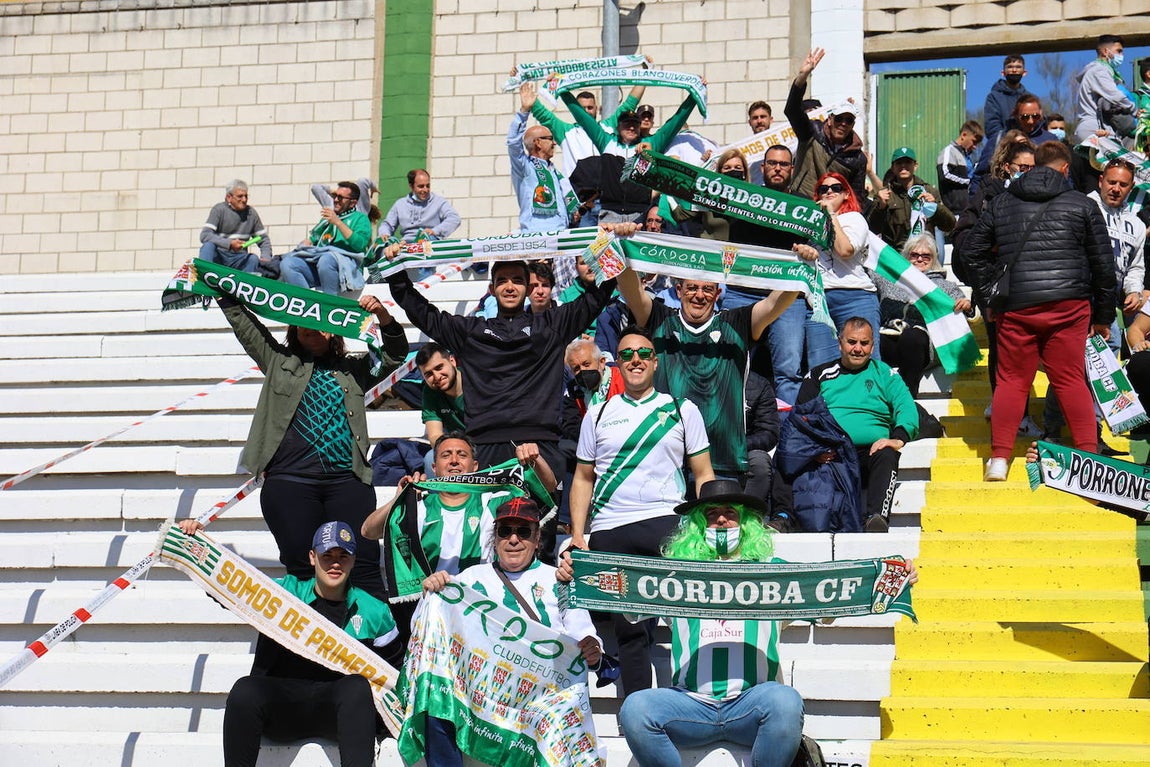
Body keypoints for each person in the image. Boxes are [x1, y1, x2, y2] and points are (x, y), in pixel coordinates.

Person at [384, 256, 617, 538]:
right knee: (486, 539)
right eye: (502, 281)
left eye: (517, 280)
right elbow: (422, 313)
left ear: (528, 287)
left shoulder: (552, 325)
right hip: (485, 449)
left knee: (538, 538)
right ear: (492, 288)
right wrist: (395, 270)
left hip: (540, 446)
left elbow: (597, 296)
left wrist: (610, 247)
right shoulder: (470, 332)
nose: (509, 286)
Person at [218, 290, 408, 597]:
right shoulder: (277, 361)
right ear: (293, 330)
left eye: (319, 321)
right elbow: (246, 326)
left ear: (333, 331)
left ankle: (375, 629)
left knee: (363, 565)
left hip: (347, 481)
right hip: (290, 483)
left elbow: (394, 355)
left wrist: (383, 316)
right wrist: (218, 287)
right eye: (303, 321)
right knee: (303, 568)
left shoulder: (354, 369)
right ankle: (304, 628)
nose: (311, 327)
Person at [607, 479, 806, 767]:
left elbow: (827, 607)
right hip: (690, 705)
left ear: (746, 522)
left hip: (753, 704)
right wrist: (576, 575)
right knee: (635, 709)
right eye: (712, 514)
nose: (721, 519)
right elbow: (625, 602)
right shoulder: (675, 576)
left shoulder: (772, 571)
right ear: (699, 526)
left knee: (786, 701)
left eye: (730, 512)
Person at [176, 519, 402, 767]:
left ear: (354, 560)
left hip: (338, 713)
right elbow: (229, 588)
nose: (335, 563)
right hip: (283, 709)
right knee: (244, 690)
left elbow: (394, 671)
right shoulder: (285, 594)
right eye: (327, 555)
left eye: (343, 556)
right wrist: (194, 543)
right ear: (312, 557)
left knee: (357, 687)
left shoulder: (375, 610)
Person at [567, 327, 715, 696]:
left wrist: (707, 525)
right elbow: (583, 478)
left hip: (667, 524)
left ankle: (696, 700)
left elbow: (703, 474)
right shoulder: (597, 414)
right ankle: (637, 712)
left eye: (644, 353)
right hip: (611, 530)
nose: (636, 360)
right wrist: (578, 535)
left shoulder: (682, 409)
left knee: (687, 619)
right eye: (627, 354)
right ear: (616, 363)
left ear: (655, 362)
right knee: (629, 631)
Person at [962, 141, 1116, 481]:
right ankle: (1090, 457)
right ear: (1065, 168)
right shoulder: (1083, 204)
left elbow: (971, 251)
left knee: (1012, 381)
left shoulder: (1002, 202)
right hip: (1069, 304)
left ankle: (999, 460)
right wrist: (1104, 316)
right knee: (1070, 379)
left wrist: (989, 298)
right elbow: (1104, 266)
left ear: (1033, 165)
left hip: (1017, 305)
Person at [421, 497, 606, 767]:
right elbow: (432, 627)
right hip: (482, 694)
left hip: (542, 698)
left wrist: (592, 649)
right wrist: (432, 590)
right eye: (505, 531)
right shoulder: (469, 579)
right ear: (495, 537)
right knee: (436, 698)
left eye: (523, 532)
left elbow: (585, 638)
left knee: (555, 717)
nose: (514, 539)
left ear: (537, 538)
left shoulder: (560, 581)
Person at [614, 241, 798, 482]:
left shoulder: (737, 323)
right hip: (667, 458)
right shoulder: (659, 318)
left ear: (718, 293)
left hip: (723, 459)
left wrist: (799, 266)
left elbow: (774, 304)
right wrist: (622, 245)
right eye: (692, 288)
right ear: (678, 290)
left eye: (707, 289)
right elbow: (631, 290)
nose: (699, 295)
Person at [1044, 159, 1147, 446]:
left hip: (1107, 307)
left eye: (1123, 184)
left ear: (1131, 188)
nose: (1116, 188)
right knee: (1069, 367)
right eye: (1111, 182)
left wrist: (1134, 290)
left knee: (1104, 374)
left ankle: (1094, 435)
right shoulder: (1079, 206)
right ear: (1100, 180)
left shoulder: (1137, 225)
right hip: (1075, 300)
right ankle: (1053, 429)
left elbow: (1135, 266)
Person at [794, 317, 919, 532]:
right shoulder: (818, 375)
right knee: (785, 457)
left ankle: (876, 518)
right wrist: (815, 448)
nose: (858, 349)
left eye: (864, 343)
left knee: (887, 454)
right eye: (852, 342)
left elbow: (906, 407)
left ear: (872, 346)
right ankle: (783, 517)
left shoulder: (885, 374)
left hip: (869, 454)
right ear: (840, 343)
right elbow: (802, 417)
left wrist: (898, 438)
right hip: (831, 454)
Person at [559, 84, 698, 222]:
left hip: (639, 214)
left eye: (635, 124)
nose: (631, 128)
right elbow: (582, 117)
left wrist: (693, 96)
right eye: (627, 124)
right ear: (618, 127)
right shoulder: (606, 141)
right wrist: (562, 90)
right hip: (609, 214)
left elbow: (676, 121)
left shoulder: (651, 143)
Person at [794, 171, 883, 360]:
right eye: (823, 189)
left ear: (846, 194)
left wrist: (831, 215)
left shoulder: (854, 218)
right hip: (819, 301)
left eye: (836, 188)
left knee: (865, 364)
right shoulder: (809, 223)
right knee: (821, 366)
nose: (829, 191)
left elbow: (845, 250)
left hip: (854, 298)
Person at [875, 234, 973, 397]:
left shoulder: (945, 287)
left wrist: (966, 306)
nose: (920, 259)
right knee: (870, 340)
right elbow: (869, 266)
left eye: (926, 256)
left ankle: (906, 397)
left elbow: (966, 308)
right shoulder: (888, 279)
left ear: (933, 259)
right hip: (890, 338)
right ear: (906, 256)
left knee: (912, 337)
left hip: (923, 345)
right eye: (914, 255)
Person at [785, 48, 868, 204]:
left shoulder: (857, 158)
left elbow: (856, 198)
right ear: (829, 119)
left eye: (849, 120)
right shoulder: (811, 133)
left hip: (829, 213)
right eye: (839, 119)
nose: (843, 123)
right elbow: (792, 110)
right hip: (798, 204)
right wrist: (802, 76)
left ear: (853, 125)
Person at [529, 82, 646, 177]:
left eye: (590, 107)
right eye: (582, 108)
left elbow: (631, 103)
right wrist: (525, 90)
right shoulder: (566, 132)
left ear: (597, 108)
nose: (586, 112)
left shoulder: (609, 126)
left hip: (606, 195)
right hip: (577, 196)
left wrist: (645, 72)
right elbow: (543, 115)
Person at [509, 83, 580, 233]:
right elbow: (513, 143)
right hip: (537, 236)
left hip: (561, 234)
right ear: (537, 142)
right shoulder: (524, 167)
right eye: (550, 139)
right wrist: (524, 111)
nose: (554, 143)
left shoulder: (554, 171)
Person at [280, 181, 374, 295]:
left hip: (345, 268)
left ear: (352, 203)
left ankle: (329, 300)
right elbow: (315, 239)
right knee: (288, 263)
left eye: (340, 198)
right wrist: (307, 242)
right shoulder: (328, 219)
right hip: (320, 264)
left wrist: (338, 223)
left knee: (326, 259)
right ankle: (307, 300)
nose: (336, 200)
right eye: (335, 196)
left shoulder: (360, 218)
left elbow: (360, 245)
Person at [868, 147, 956, 251]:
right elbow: (872, 230)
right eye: (899, 163)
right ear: (893, 167)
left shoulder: (929, 191)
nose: (903, 166)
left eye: (908, 162)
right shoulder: (885, 195)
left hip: (923, 254)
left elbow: (949, 225)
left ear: (915, 166)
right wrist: (881, 207)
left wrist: (935, 208)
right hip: (896, 255)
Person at [198, 179, 272, 274]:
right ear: (229, 197)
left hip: (238, 259)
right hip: (219, 256)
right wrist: (230, 243)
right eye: (240, 196)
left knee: (253, 258)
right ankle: (204, 274)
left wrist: (266, 258)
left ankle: (245, 282)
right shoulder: (219, 210)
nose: (244, 200)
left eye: (246, 196)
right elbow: (205, 235)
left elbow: (263, 239)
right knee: (208, 246)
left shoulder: (251, 213)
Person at [1073, 34, 1136, 143]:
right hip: (1095, 128)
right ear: (1106, 51)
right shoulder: (1099, 71)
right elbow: (1116, 97)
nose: (1121, 55)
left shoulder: (1105, 72)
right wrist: (1135, 110)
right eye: (1119, 51)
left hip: (1101, 128)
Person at [377, 169, 461, 244]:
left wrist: (435, 231)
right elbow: (387, 224)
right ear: (411, 186)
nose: (425, 190)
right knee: (381, 246)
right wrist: (384, 234)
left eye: (428, 186)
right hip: (405, 245)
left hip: (430, 244)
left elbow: (454, 219)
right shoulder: (400, 204)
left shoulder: (439, 202)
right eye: (421, 186)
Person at [415, 342, 464, 450]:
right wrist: (450, 452)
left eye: (439, 367)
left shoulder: (475, 381)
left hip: (489, 444)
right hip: (457, 447)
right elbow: (434, 435)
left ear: (452, 361)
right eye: (429, 374)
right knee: (429, 458)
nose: (437, 377)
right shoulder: (430, 391)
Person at [564, 337, 625, 418]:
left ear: (602, 362)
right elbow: (571, 421)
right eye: (577, 368)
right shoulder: (572, 390)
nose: (582, 370)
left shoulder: (622, 378)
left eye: (586, 364)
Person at [936, 121, 984, 214]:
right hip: (953, 211)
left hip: (966, 210)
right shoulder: (949, 151)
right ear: (964, 135)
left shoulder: (967, 157)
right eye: (974, 142)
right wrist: (966, 181)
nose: (975, 147)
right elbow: (945, 174)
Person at [983, 55, 1031, 147]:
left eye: (1018, 67)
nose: (1014, 70)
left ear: (1024, 72)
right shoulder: (994, 97)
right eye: (1010, 67)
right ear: (1003, 73)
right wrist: (1010, 140)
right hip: (1003, 147)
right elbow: (992, 127)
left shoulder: (1029, 99)